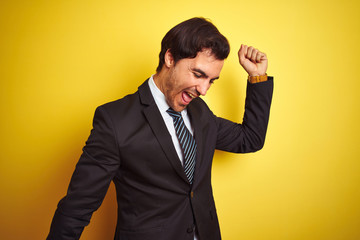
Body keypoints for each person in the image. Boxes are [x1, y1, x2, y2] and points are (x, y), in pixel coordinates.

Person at [47, 17, 273, 240]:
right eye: (198, 74)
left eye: (212, 80)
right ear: (170, 57)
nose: (204, 90)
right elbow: (78, 207)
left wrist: (257, 76)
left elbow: (249, 139)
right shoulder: (115, 121)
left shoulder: (200, 112)